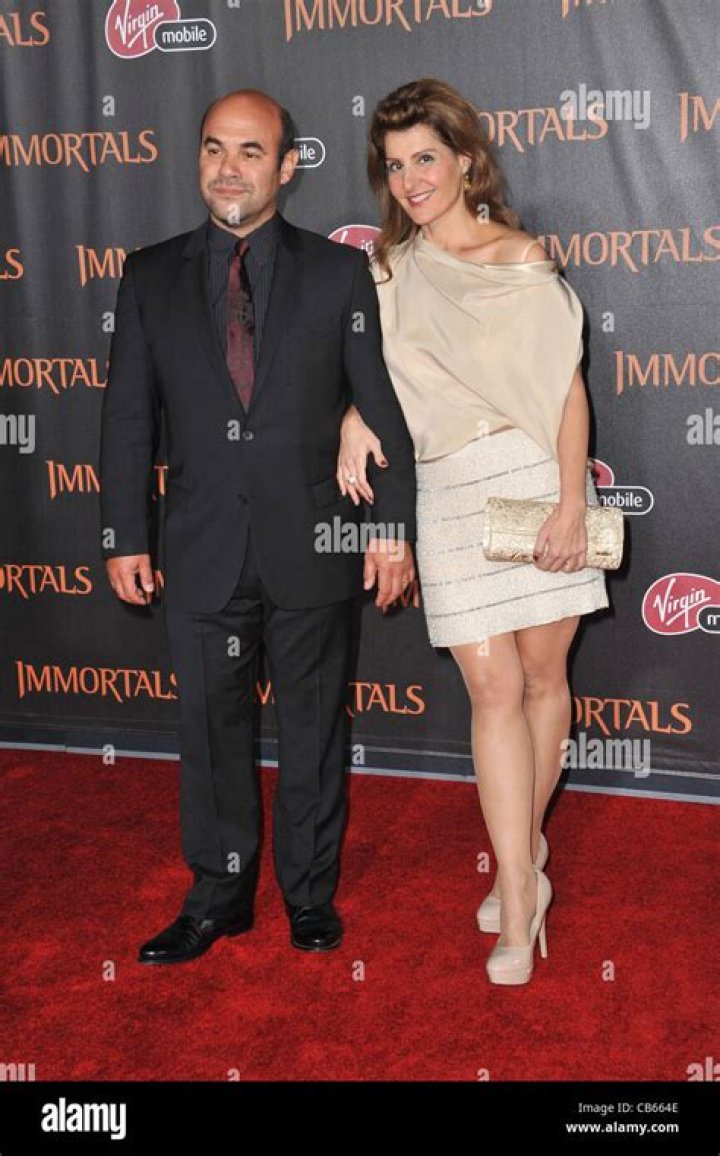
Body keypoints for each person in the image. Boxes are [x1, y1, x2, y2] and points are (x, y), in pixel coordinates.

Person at [100, 89, 416, 965]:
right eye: (214, 148)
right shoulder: (149, 275)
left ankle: (309, 896)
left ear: (286, 167)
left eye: (250, 151)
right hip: (199, 544)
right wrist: (126, 534)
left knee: (314, 731)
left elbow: (379, 407)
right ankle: (218, 898)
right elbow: (126, 418)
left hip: (314, 541)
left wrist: (391, 528)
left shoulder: (338, 273)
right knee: (209, 734)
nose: (229, 168)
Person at [337, 79, 609, 986]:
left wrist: (569, 504)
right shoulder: (386, 271)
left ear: (464, 161)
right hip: (448, 492)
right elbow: (368, 377)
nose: (411, 179)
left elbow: (566, 392)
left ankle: (522, 866)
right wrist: (352, 417)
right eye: (394, 165)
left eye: (425, 157)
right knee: (491, 690)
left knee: (541, 681)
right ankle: (523, 889)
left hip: (534, 478)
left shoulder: (518, 257)